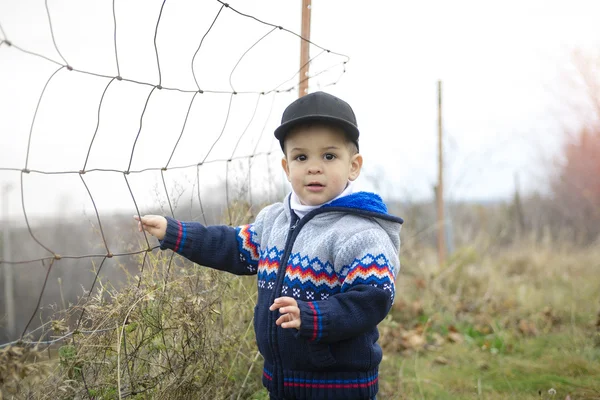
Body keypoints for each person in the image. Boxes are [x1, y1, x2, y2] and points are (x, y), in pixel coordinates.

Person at [134, 91, 403, 400]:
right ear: (287, 167)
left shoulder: (360, 233)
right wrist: (176, 232)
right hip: (280, 382)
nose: (314, 167)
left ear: (353, 166)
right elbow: (233, 247)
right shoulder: (274, 220)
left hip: (338, 386)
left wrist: (315, 316)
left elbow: (371, 299)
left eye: (329, 156)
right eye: (302, 157)